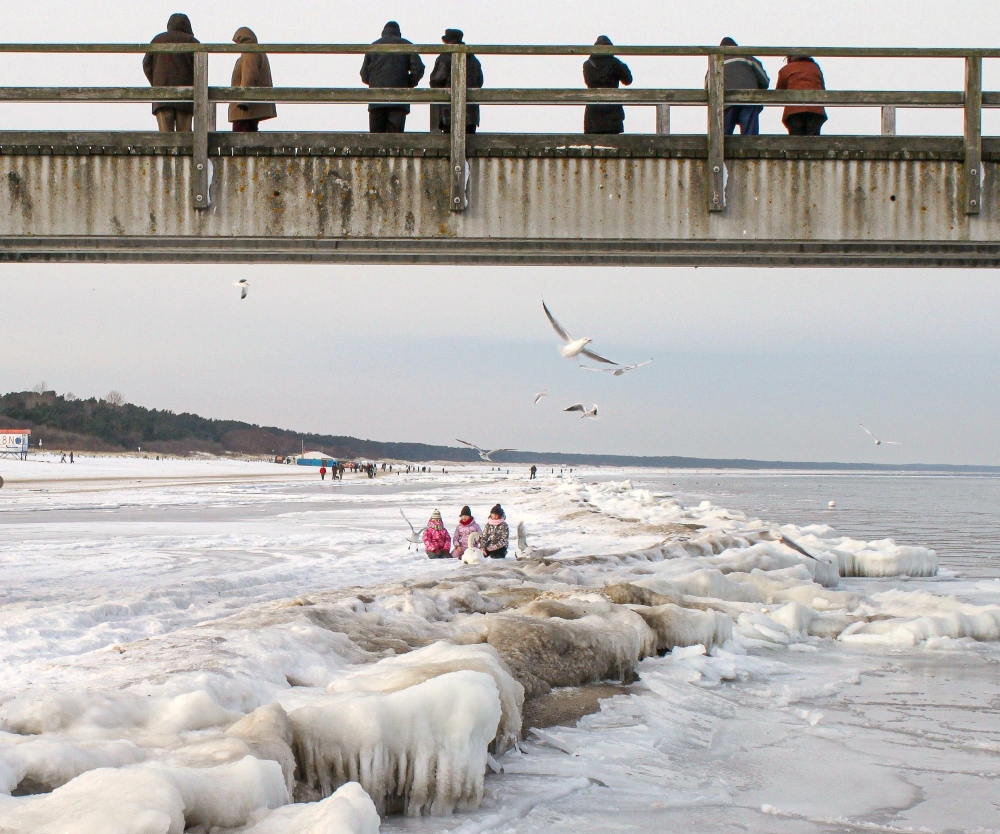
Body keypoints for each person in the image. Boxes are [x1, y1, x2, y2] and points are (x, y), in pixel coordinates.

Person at [360, 22, 425, 134]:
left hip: (376, 100)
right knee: (396, 141)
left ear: (383, 33)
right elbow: (418, 69)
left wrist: (376, 82)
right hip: (399, 100)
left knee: (376, 141)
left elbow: (364, 75)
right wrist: (408, 84)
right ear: (399, 33)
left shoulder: (373, 47)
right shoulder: (407, 45)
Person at [143, 14, 199, 133]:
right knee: (185, 139)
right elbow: (200, 70)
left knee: (165, 139)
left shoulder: (157, 40)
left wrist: (156, 84)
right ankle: (184, 152)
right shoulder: (191, 42)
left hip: (162, 95)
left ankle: (167, 152)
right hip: (186, 96)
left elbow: (146, 65)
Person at [429, 29, 484, 134]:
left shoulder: (445, 57)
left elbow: (437, 80)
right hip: (471, 113)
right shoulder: (473, 60)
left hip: (448, 111)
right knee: (470, 144)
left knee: (449, 143)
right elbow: (479, 82)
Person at [710, 37, 769, 136]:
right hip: (749, 100)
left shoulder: (715, 63)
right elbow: (764, 80)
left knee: (723, 136)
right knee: (750, 136)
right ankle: (749, 150)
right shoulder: (747, 58)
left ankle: (722, 150)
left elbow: (708, 87)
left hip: (725, 102)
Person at [229, 28, 276, 133]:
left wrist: (243, 101)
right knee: (249, 137)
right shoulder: (257, 52)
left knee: (240, 140)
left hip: (245, 110)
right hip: (249, 108)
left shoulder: (249, 53)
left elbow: (249, 77)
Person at [583, 36, 633, 135]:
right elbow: (628, 80)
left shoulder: (587, 64)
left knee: (592, 143)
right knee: (613, 143)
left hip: (593, 109)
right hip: (612, 109)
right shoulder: (615, 63)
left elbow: (588, 82)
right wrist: (622, 66)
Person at [777, 56, 827, 136]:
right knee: (813, 141)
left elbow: (779, 92)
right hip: (816, 110)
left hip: (794, 110)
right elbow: (823, 90)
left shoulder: (787, 69)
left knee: (796, 140)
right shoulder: (816, 69)